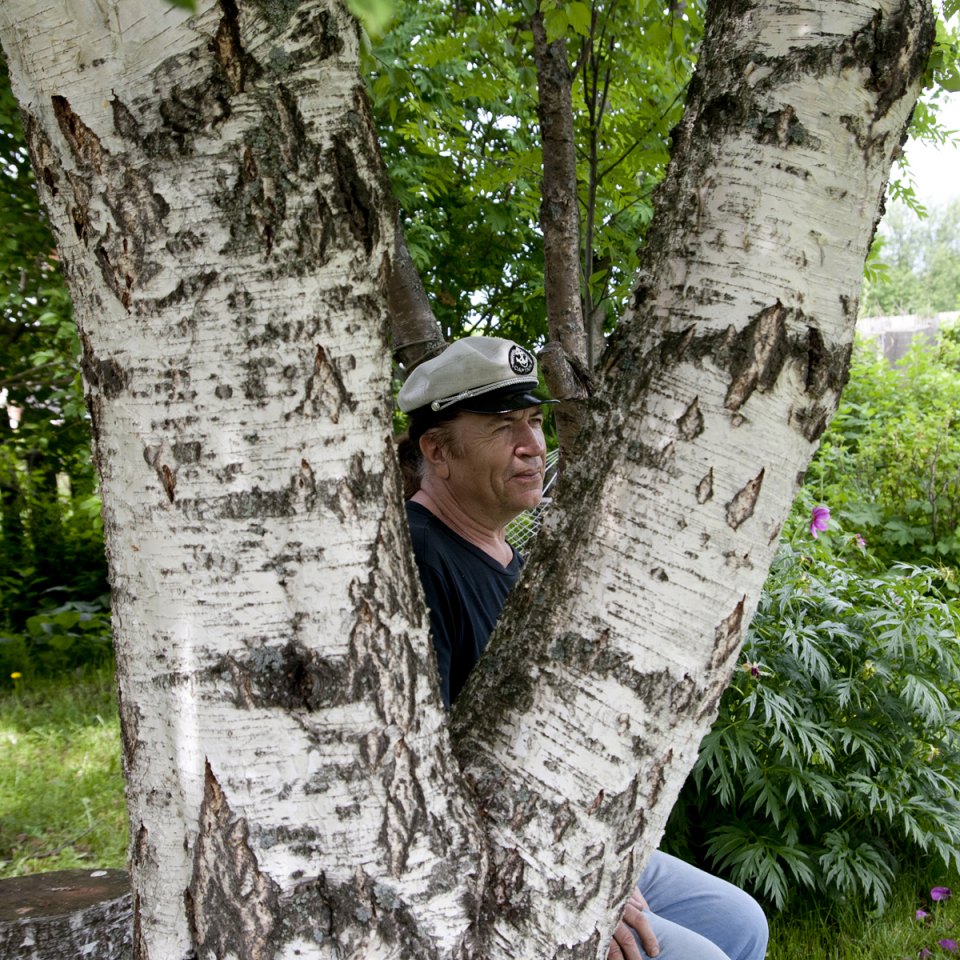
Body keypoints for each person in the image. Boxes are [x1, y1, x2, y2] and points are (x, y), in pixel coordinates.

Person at [397, 335, 769, 960]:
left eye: (535, 421)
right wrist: (569, 880)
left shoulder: (506, 554)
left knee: (739, 922)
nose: (533, 446)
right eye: (501, 427)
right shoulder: (417, 563)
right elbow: (425, 774)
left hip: (571, 832)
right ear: (437, 450)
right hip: (508, 865)